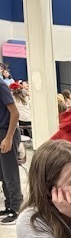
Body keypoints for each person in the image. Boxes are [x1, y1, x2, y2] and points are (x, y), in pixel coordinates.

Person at [0, 71, 22, 225]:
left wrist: (8, 138)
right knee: (3, 173)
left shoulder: (1, 85)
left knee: (10, 173)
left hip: (7, 132)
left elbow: (15, 113)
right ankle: (9, 205)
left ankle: (16, 208)